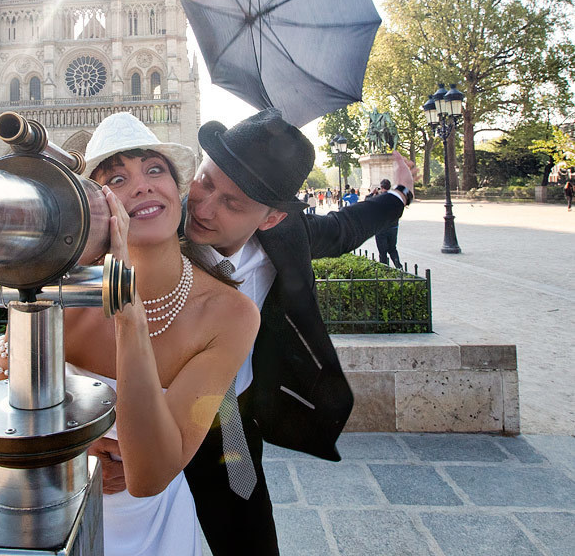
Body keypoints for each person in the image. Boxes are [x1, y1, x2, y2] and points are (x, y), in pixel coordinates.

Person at [0, 112, 259, 556]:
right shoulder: (56, 301)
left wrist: (127, 312)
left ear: (177, 188)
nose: (143, 185)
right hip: (54, 524)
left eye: (154, 169)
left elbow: (149, 477)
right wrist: (73, 458)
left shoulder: (230, 314)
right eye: (116, 179)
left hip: (156, 534)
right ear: (92, 206)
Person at [97, 109, 414, 555]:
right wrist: (90, 446)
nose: (203, 208)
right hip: (136, 409)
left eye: (234, 203)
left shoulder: (287, 239)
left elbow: (347, 228)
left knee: (247, 533)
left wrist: (400, 193)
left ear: (270, 220)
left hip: (227, 418)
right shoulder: (154, 215)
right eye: (206, 182)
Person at [374, 178, 402, 268]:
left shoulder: (378, 198)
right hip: (393, 228)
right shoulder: (396, 198)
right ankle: (399, 267)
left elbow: (368, 203)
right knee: (393, 249)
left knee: (382, 252)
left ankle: (385, 270)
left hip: (381, 229)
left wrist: (372, 194)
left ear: (381, 187)